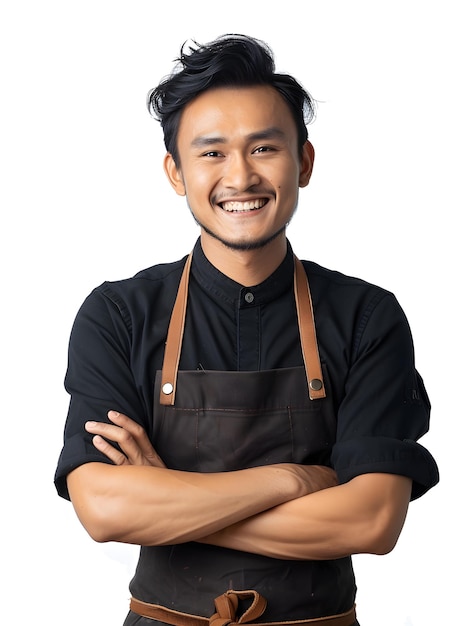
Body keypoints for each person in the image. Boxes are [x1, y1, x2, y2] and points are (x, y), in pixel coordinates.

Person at [55, 34, 439, 626]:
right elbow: (105, 509)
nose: (240, 175)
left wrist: (170, 498)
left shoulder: (366, 317)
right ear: (176, 172)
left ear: (304, 161)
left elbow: (371, 521)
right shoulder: (119, 315)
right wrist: (291, 480)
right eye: (211, 152)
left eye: (264, 147)